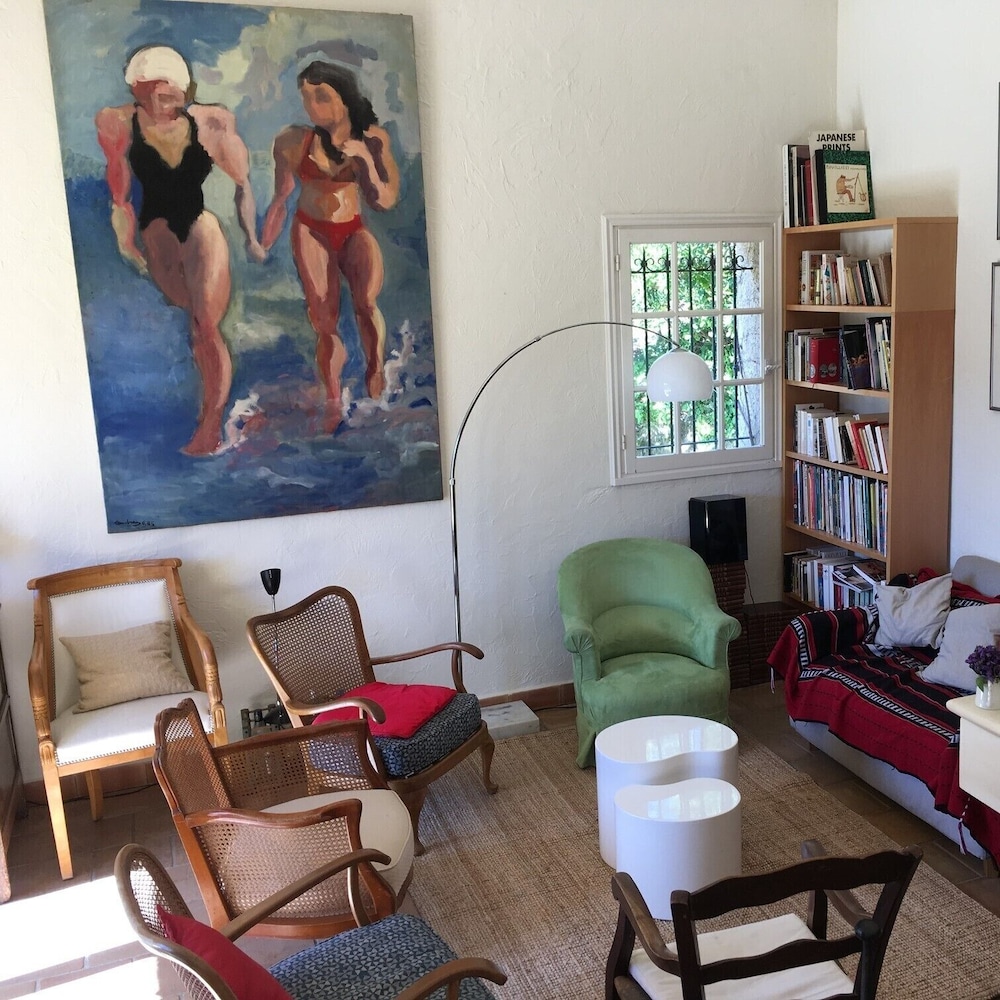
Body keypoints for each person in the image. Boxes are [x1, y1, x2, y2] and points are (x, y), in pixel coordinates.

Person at [95, 45, 265, 456]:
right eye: (150, 92)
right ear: (137, 90)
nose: (160, 101)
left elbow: (243, 184)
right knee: (193, 323)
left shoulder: (210, 123)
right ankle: (216, 409)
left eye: (169, 93)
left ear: (183, 90)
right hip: (158, 236)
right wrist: (125, 240)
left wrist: (251, 237)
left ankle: (211, 427)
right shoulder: (118, 124)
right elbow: (119, 194)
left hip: (200, 227)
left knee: (206, 326)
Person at [261, 61, 400, 433]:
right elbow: (281, 199)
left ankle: (375, 370)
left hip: (353, 230)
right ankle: (334, 399)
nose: (312, 106)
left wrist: (365, 159)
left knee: (366, 304)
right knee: (324, 320)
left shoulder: (372, 139)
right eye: (307, 97)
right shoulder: (293, 141)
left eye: (321, 96)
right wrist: (264, 241)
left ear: (345, 98)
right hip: (312, 231)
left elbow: (384, 200)